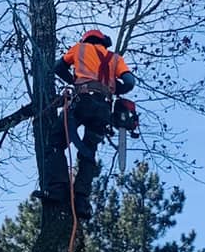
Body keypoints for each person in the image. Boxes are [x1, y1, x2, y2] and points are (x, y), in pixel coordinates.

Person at [43, 30, 136, 219]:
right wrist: (110, 87)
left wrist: (76, 82)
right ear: (103, 42)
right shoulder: (115, 58)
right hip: (103, 108)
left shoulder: (79, 48)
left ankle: (58, 190)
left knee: (55, 143)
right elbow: (129, 82)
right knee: (88, 152)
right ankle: (81, 200)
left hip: (81, 101)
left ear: (86, 39)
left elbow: (58, 68)